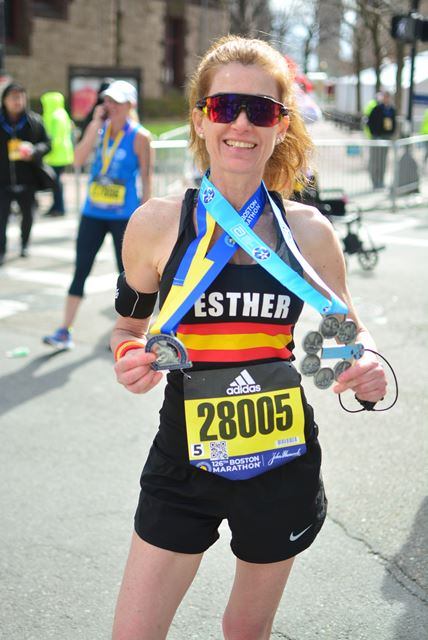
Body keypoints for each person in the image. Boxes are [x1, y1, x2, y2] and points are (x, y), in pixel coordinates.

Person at [110, 36, 387, 640]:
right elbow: (129, 328)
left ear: (281, 126)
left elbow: (347, 332)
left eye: (260, 110)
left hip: (280, 458)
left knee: (245, 631)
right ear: (200, 119)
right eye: (224, 106)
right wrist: (128, 357)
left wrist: (363, 362)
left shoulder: (308, 232)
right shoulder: (157, 224)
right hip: (185, 453)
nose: (241, 123)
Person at [42, 80, 153, 350]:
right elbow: (77, 160)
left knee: (128, 276)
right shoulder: (99, 131)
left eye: (116, 102)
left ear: (130, 105)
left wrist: (146, 217)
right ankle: (64, 330)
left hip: (124, 216)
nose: (110, 106)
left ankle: (126, 334)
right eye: (107, 101)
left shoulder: (140, 136)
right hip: (93, 213)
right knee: (81, 270)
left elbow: (147, 178)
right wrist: (93, 127)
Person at [0, 82, 51, 266]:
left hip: (28, 179)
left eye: (20, 97)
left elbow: (47, 144)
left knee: (28, 215)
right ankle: (2, 250)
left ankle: (24, 244)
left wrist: (34, 150)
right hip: (3, 181)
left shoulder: (34, 121)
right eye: (13, 97)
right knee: (2, 218)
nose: (17, 101)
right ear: (4, 100)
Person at [40, 91, 74, 217]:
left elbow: (55, 138)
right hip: (61, 153)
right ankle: (56, 206)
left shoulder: (55, 115)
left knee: (55, 182)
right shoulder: (62, 113)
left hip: (56, 155)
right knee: (56, 182)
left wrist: (46, 152)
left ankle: (59, 207)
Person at [367, 90, 396, 189]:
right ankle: (375, 181)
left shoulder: (391, 109)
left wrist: (391, 134)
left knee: (383, 161)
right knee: (375, 160)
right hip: (377, 138)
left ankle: (381, 181)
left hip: (386, 138)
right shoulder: (377, 109)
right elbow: (370, 122)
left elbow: (393, 123)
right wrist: (375, 134)